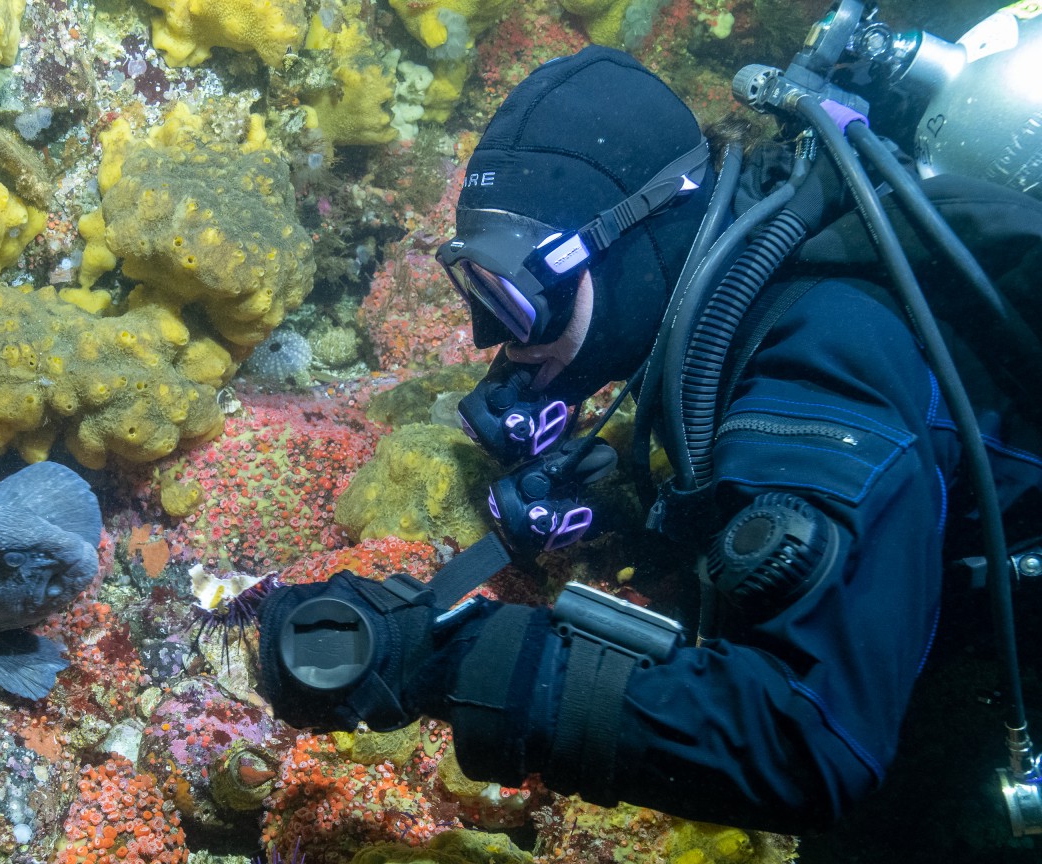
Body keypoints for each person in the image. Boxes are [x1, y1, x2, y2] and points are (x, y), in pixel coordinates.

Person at [257, 45, 1042, 834]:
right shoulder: (735, 312)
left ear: (628, 242)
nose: (491, 337)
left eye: (517, 296)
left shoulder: (822, 357)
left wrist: (441, 661)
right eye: (477, 293)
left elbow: (807, 740)